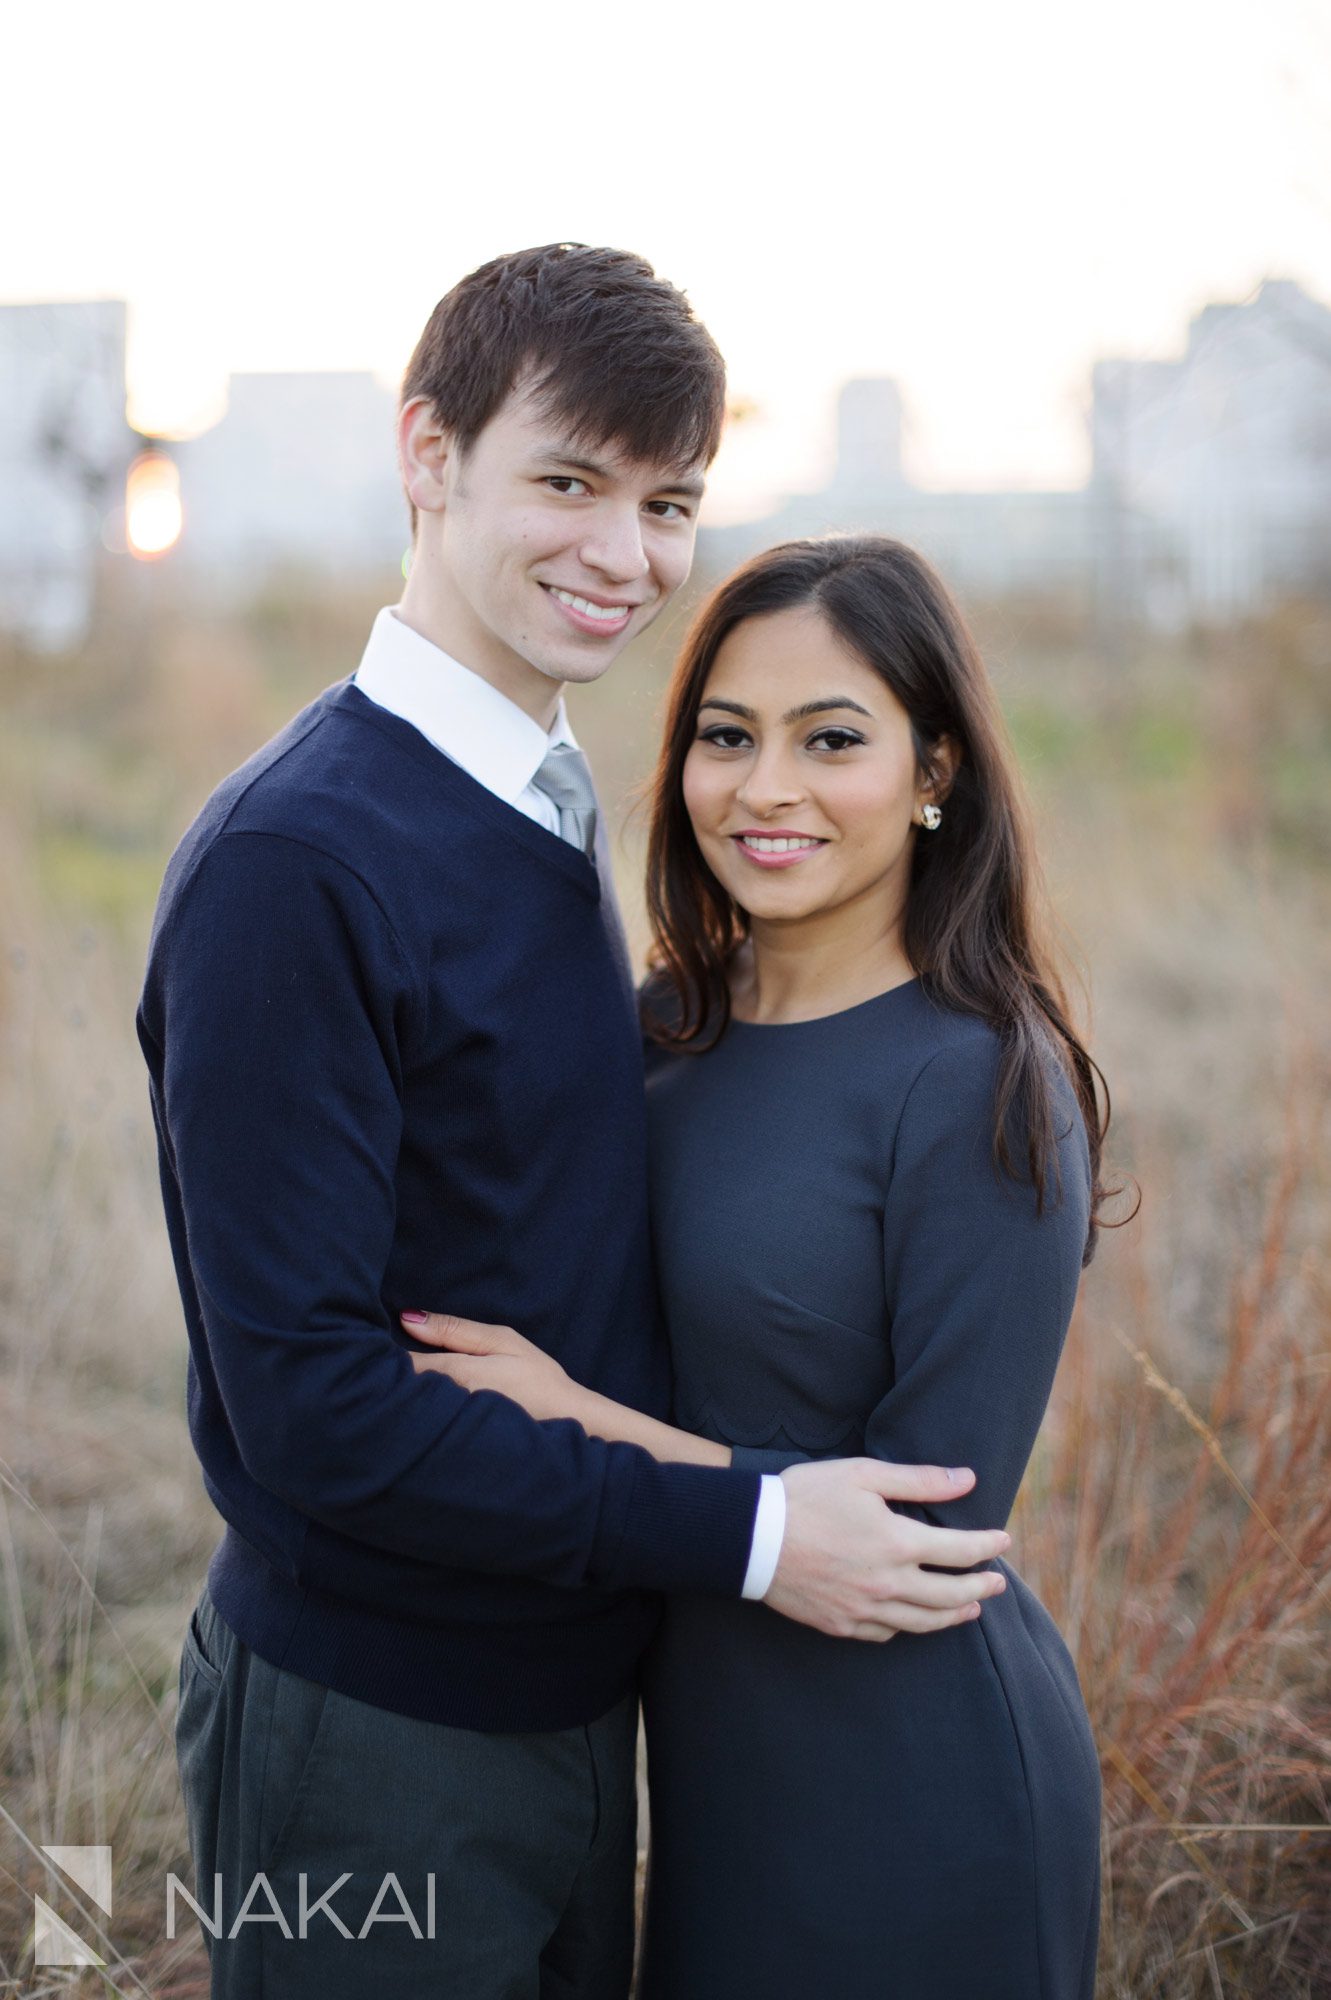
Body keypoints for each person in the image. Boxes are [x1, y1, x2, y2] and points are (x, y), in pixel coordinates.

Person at [137, 250, 1011, 1999]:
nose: (625, 556)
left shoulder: (531, 794)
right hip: (375, 1734)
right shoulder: (295, 866)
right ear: (429, 455)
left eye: (667, 500)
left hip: (572, 1701)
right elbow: (311, 1409)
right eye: (568, 482)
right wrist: (758, 1530)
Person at [404, 533, 1112, 1998]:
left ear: (937, 774)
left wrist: (578, 1422)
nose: (767, 788)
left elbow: (923, 1530)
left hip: (909, 1779)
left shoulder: (983, 1084)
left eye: (832, 739)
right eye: (728, 737)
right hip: (703, 1765)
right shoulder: (659, 1031)